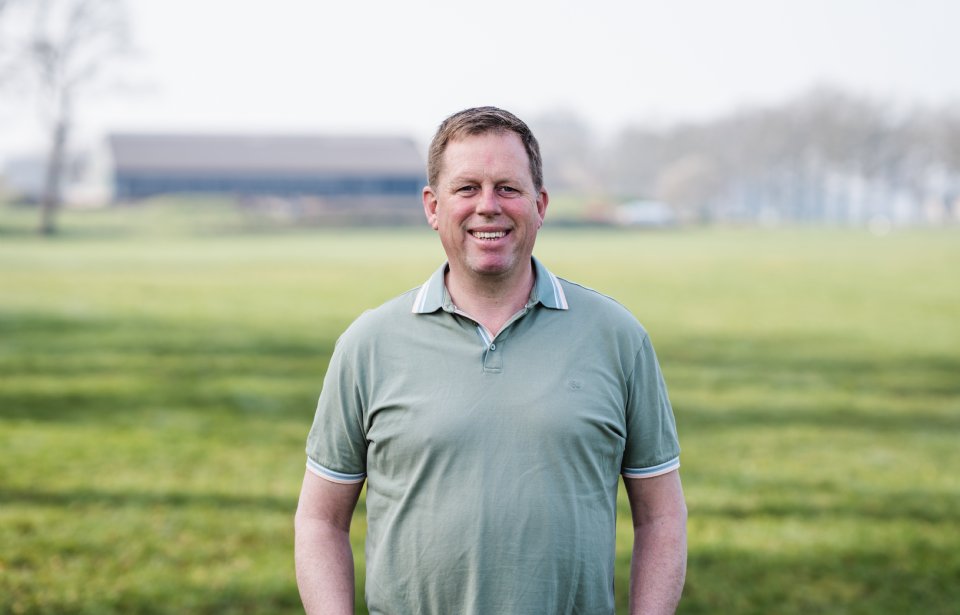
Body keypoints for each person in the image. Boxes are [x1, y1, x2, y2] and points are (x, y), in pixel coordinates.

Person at [294, 106, 687, 615]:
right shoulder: (368, 344)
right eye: (466, 188)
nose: (488, 206)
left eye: (507, 188)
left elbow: (661, 517)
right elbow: (321, 521)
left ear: (539, 205)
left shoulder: (618, 338)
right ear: (433, 206)